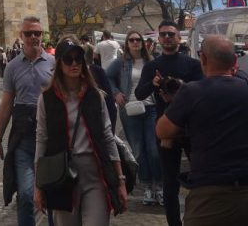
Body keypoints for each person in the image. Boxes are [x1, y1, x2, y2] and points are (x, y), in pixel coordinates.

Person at [156, 35, 248, 226]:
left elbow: (163, 131)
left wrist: (173, 103)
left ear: (202, 58)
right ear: (235, 61)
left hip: (211, 190)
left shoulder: (191, 92)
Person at [34, 36, 128, 224]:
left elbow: (108, 137)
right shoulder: (47, 99)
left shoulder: (95, 96)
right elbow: (41, 140)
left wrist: (120, 180)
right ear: (59, 63)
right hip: (62, 177)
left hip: (95, 174)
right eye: (69, 59)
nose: (74, 63)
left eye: (78, 58)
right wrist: (39, 186)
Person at [134, 20, 203, 226]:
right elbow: (139, 94)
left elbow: (203, 90)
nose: (166, 38)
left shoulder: (192, 64)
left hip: (193, 127)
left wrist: (183, 87)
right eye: (162, 35)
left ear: (178, 38)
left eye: (170, 34)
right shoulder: (152, 66)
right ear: (158, 38)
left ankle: (200, 218)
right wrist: (153, 84)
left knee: (201, 176)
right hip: (166, 127)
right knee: (170, 182)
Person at [0, 16, 55, 226]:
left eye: (37, 33)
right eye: (28, 33)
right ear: (21, 36)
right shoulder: (12, 67)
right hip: (24, 139)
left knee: (55, 194)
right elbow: (6, 105)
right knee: (27, 195)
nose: (33, 37)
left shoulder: (54, 64)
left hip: (51, 138)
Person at [107, 29, 161, 206]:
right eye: (132, 40)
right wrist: (116, 93)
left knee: (153, 149)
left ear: (143, 43)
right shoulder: (120, 63)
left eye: (138, 40)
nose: (136, 43)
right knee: (138, 150)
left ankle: (159, 186)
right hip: (130, 110)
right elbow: (106, 78)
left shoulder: (151, 61)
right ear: (127, 43)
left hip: (150, 108)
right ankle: (147, 186)